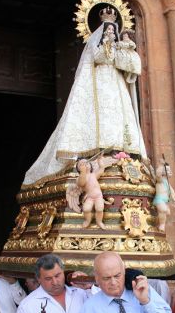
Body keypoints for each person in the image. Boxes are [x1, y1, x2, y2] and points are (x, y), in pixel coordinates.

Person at [23, 12, 147, 186]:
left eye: (113, 29)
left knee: (119, 117)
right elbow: (100, 57)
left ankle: (119, 153)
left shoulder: (120, 49)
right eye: (108, 29)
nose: (111, 31)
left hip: (116, 87)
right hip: (98, 87)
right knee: (99, 117)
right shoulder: (96, 46)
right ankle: (97, 155)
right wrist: (108, 44)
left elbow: (133, 67)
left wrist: (126, 49)